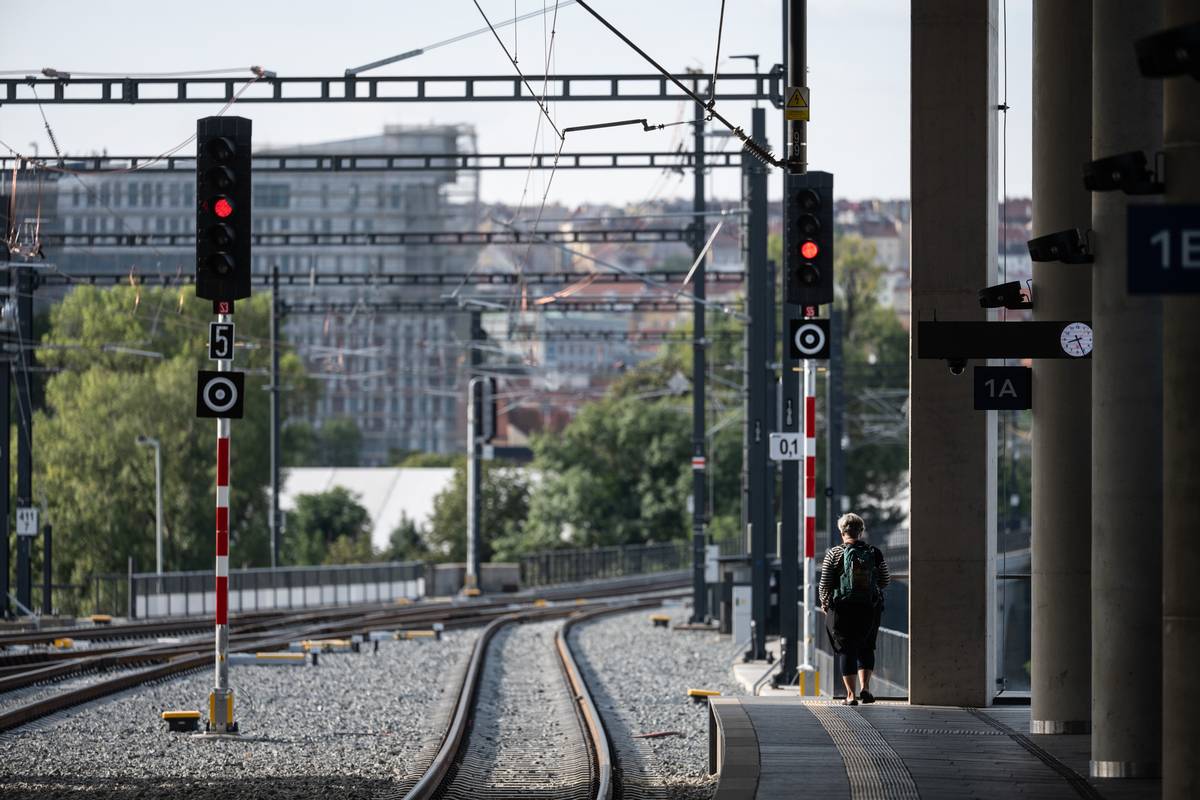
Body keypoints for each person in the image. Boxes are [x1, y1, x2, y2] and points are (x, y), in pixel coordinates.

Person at [819, 512, 890, 705]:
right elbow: (885, 580)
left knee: (846, 650)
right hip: (869, 607)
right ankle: (865, 688)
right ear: (861, 531)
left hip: (841, 608)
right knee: (866, 647)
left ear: (842, 532)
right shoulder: (874, 552)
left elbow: (824, 584)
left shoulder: (834, 553)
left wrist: (825, 604)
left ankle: (851, 695)